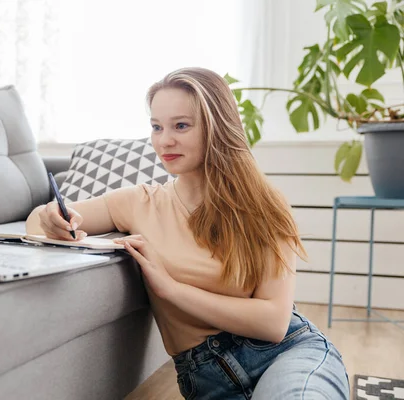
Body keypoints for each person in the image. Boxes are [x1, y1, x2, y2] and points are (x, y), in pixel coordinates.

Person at [25, 67, 349, 399]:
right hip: (206, 379)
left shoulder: (263, 205)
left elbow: (273, 322)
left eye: (181, 125)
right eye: (156, 127)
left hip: (286, 355)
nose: (164, 140)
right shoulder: (139, 202)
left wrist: (172, 289)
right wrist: (53, 217)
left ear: (216, 127)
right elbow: (38, 220)